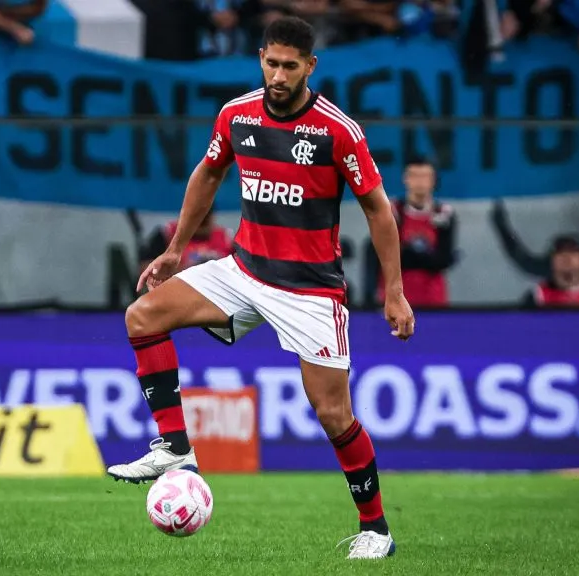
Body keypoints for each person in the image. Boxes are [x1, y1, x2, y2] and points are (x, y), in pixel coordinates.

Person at [106, 16, 413, 560]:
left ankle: (377, 530)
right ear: (260, 58)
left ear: (310, 67)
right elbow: (208, 173)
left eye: (290, 66)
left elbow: (378, 209)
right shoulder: (237, 114)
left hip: (310, 290)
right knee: (142, 316)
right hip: (244, 272)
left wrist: (394, 290)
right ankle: (175, 447)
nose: (278, 75)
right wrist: (176, 249)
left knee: (333, 414)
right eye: (271, 63)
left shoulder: (337, 130)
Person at [365, 156, 456, 307]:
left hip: (433, 299)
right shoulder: (391, 212)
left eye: (425, 176)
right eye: (414, 176)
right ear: (405, 179)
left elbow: (444, 258)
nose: (420, 182)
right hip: (396, 299)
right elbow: (380, 253)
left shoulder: (444, 214)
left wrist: (409, 253)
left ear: (434, 180)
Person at [137, 208, 233, 278]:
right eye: (196, 217)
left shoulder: (226, 238)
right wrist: (182, 271)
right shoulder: (167, 234)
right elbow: (145, 269)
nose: (200, 222)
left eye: (205, 218)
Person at [524, 235, 579, 307]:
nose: (567, 257)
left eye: (573, 252)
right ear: (551, 261)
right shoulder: (538, 295)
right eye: (560, 252)